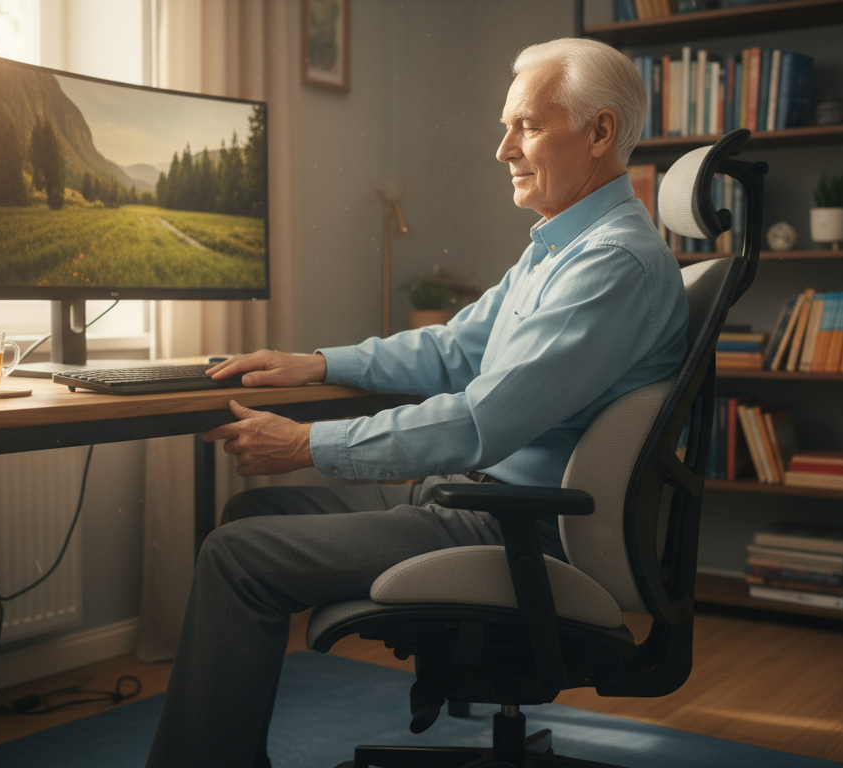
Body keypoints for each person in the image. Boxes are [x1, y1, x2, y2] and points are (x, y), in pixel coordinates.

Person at [144, 37, 689, 768]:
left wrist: (307, 445)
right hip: (481, 506)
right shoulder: (559, 249)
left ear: (599, 132)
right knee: (252, 518)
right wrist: (315, 363)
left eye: (525, 126)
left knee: (239, 558)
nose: (503, 149)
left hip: (517, 529)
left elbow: (480, 420)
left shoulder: (609, 265)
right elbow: (451, 349)